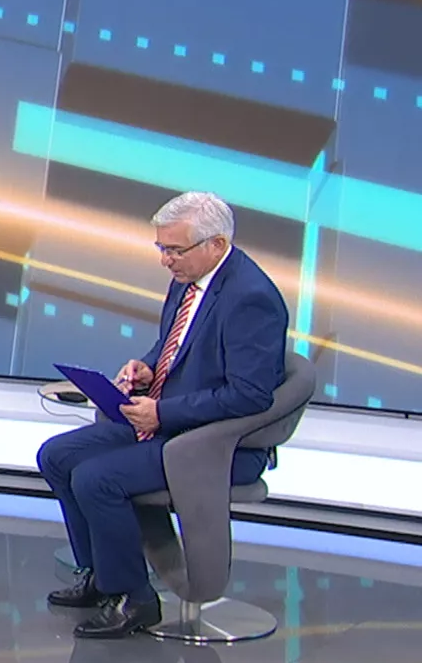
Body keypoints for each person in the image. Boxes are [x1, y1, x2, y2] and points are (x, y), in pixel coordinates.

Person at [37, 191, 288, 639]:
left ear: (216, 244)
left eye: (175, 250)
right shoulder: (189, 279)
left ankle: (133, 597)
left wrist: (162, 413)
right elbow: (176, 345)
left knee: (97, 478)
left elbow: (249, 396)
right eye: (161, 248)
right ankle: (99, 575)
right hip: (168, 426)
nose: (165, 260)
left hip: (216, 447)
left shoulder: (251, 299)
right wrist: (149, 366)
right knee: (57, 456)